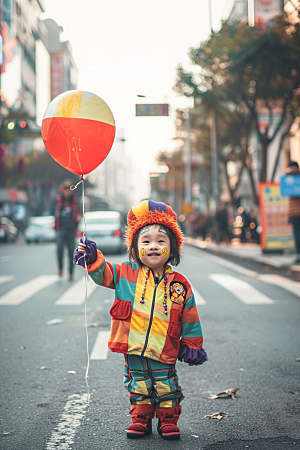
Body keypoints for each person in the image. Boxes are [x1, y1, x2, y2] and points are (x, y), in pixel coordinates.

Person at [73, 200, 207, 440]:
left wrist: (193, 344)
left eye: (161, 241)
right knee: (139, 384)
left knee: (166, 385)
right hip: (134, 348)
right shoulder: (125, 273)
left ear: (173, 248)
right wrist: (93, 259)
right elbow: (103, 273)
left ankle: (167, 419)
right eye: (146, 241)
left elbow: (190, 317)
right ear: (135, 248)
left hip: (165, 349)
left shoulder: (180, 284)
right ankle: (140, 418)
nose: (153, 246)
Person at [55, 180, 81, 281]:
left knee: (71, 252)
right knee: (60, 250)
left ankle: (71, 273)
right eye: (66, 190)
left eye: (69, 190)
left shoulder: (75, 201)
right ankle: (60, 268)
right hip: (60, 229)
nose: (67, 192)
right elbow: (53, 212)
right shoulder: (58, 200)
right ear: (63, 190)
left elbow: (79, 214)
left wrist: (77, 223)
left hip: (71, 230)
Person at [285, 161, 300, 263]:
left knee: (297, 234)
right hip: (295, 213)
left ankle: (299, 254)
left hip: (294, 213)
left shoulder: (288, 179)